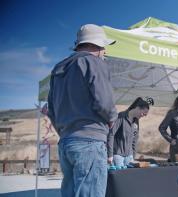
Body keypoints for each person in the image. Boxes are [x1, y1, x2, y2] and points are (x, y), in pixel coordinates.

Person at [47, 24, 118, 197]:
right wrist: (112, 119)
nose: (105, 51)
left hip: (66, 142)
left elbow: (52, 109)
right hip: (89, 142)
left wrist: (64, 131)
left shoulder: (58, 68)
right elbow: (105, 102)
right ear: (98, 45)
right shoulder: (94, 62)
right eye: (104, 46)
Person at [106, 97, 150, 168]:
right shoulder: (121, 116)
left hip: (129, 157)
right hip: (118, 156)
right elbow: (111, 134)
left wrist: (133, 156)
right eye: (143, 113)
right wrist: (110, 154)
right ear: (138, 108)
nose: (143, 116)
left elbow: (134, 140)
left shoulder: (136, 121)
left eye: (145, 115)